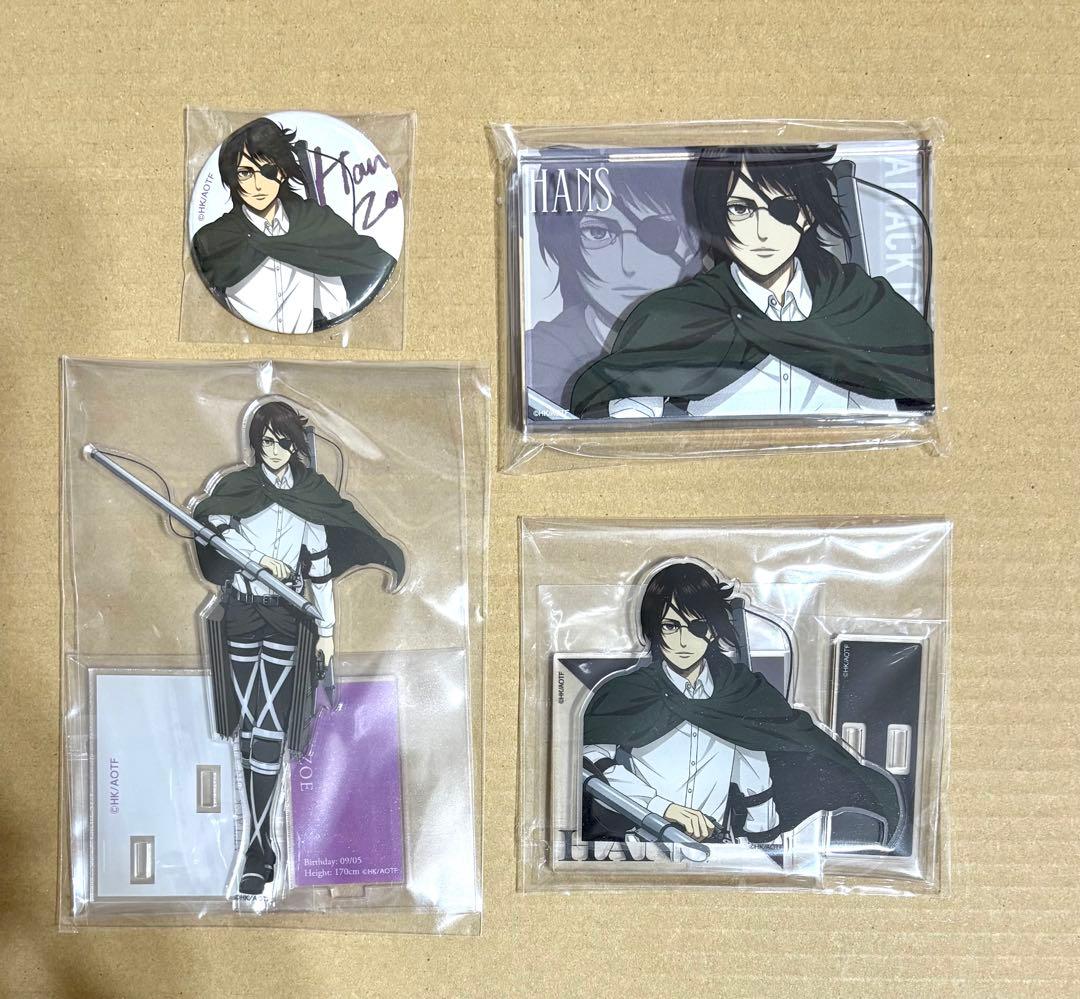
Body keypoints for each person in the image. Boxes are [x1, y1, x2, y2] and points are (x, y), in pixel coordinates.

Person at [193, 400, 404, 895]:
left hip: (286, 618)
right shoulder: (238, 487)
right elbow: (215, 530)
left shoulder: (310, 496)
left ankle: (256, 849)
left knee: (269, 724)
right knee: (250, 728)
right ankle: (262, 842)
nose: (274, 450)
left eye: (283, 442)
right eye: (267, 441)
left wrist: (327, 631)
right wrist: (256, 558)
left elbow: (320, 569)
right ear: (256, 442)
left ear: (295, 446)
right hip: (241, 610)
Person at [569, 145, 935, 419]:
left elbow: (910, 406)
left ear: (807, 214)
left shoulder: (857, 302)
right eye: (741, 209)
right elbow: (626, 417)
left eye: (782, 209)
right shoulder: (677, 315)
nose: (762, 232)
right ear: (718, 215)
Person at [581, 561, 902, 848]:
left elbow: (755, 771)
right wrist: (663, 808)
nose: (682, 641)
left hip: (716, 849)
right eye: (670, 626)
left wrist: (762, 844)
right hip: (639, 844)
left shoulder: (742, 693)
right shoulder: (629, 692)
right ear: (654, 629)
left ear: (712, 631)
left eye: (696, 626)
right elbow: (592, 761)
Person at [525, 154, 703, 413]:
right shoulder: (537, 361)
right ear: (568, 244)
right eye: (598, 233)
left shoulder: (727, 344)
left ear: (694, 241)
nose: (628, 264)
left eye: (657, 232)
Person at [191, 117, 395, 334]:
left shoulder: (314, 224)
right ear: (233, 177)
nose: (258, 185)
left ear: (282, 172)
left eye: (268, 171)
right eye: (246, 173)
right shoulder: (215, 240)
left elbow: (337, 301)